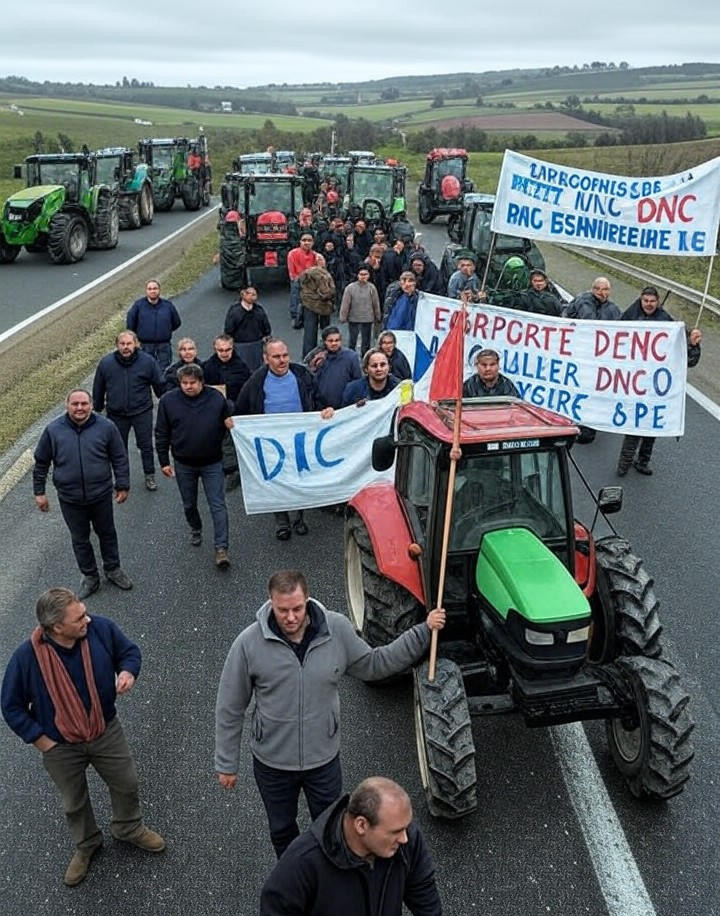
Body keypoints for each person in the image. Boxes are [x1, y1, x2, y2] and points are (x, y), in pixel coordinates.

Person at [215, 569, 446, 859]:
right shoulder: (248, 643)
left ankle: (329, 879)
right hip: (272, 764)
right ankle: (293, 879)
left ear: (307, 600)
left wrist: (423, 631)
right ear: (270, 603)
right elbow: (230, 705)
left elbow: (376, 664)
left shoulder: (336, 630)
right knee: (281, 829)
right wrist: (226, 763)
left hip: (322, 761)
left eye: (297, 609)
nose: (290, 617)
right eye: (282, 610)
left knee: (330, 829)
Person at [0, 588, 165, 887]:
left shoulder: (100, 629)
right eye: (78, 618)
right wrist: (40, 739)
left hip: (104, 729)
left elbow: (129, 652)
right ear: (55, 628)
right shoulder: (26, 657)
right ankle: (87, 844)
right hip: (59, 744)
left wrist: (128, 672)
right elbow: (10, 706)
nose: (86, 619)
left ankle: (128, 828)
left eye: (84, 611)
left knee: (126, 783)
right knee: (74, 802)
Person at [260, 776, 442, 916]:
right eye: (396, 831)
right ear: (361, 825)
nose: (404, 838)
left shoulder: (407, 839)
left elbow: (424, 896)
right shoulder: (300, 864)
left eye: (406, 827)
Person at [33, 389, 133, 600]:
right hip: (70, 498)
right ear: (66, 405)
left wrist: (122, 484)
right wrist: (39, 492)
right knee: (80, 539)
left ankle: (113, 569)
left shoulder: (106, 427)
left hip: (101, 494)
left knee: (107, 533)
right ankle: (90, 577)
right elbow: (41, 462)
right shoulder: (53, 430)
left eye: (84, 404)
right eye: (75, 404)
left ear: (91, 405)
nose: (80, 408)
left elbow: (119, 457)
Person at [235, 339, 333, 539]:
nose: (282, 360)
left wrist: (326, 409)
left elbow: (318, 398)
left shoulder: (302, 374)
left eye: (285, 355)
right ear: (266, 359)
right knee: (276, 479)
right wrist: (237, 424)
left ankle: (299, 517)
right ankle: (282, 520)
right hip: (271, 443)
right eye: (276, 357)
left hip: (299, 439)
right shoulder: (256, 381)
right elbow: (241, 408)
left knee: (300, 477)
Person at [616, 285, 702, 476]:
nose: (648, 304)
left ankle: (643, 461)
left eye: (652, 301)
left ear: (658, 301)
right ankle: (624, 464)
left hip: (656, 384)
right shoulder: (628, 318)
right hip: (634, 382)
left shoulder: (667, 322)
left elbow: (686, 357)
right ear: (640, 299)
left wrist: (694, 345)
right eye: (645, 301)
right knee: (634, 425)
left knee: (652, 424)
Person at [155, 364, 233, 568]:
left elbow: (229, 424)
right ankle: (195, 527)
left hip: (212, 462)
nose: (188, 387)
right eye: (184, 383)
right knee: (189, 503)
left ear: (201, 382)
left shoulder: (216, 399)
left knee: (218, 504)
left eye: (192, 383)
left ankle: (221, 548)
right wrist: (163, 461)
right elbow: (161, 432)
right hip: (184, 463)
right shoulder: (168, 402)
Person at [92, 330, 165, 492]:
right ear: (117, 345)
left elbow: (159, 384)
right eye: (122, 344)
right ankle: (121, 479)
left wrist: (167, 403)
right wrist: (96, 409)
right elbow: (98, 387)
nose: (126, 347)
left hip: (142, 411)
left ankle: (149, 475)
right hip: (116, 414)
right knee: (118, 448)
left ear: (136, 344)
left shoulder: (148, 362)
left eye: (129, 344)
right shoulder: (106, 363)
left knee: (146, 445)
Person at [564, 277, 621, 442]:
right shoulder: (583, 301)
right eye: (598, 289)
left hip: (600, 358)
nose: (601, 293)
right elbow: (589, 322)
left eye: (605, 290)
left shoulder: (613, 309)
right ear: (592, 289)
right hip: (580, 354)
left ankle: (590, 422)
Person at [126, 280, 182, 371]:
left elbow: (176, 322)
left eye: (155, 288)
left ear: (159, 290)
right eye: (150, 289)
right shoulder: (138, 306)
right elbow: (130, 324)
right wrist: (136, 341)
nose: (153, 291)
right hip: (144, 346)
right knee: (144, 370)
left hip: (164, 346)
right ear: (146, 291)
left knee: (164, 371)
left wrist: (165, 331)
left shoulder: (168, 306)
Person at [306, 325, 362, 409]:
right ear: (324, 342)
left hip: (344, 407)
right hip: (320, 407)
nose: (334, 343)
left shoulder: (351, 357)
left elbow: (358, 381)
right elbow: (309, 380)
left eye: (337, 340)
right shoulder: (317, 357)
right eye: (330, 341)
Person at [223, 286, 272, 371]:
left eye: (255, 294)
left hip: (257, 345)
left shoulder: (259, 311)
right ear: (243, 294)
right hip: (240, 346)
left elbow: (266, 328)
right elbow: (228, 330)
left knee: (258, 370)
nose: (254, 296)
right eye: (251, 294)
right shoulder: (235, 312)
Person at [339, 266, 381, 355]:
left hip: (367, 318)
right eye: (361, 274)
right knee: (352, 340)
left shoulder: (372, 288)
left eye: (365, 274)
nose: (363, 276)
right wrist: (343, 316)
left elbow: (376, 303)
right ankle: (350, 356)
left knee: (366, 340)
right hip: (354, 318)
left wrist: (378, 316)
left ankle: (365, 356)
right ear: (357, 275)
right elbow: (345, 303)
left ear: (369, 275)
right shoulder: (350, 288)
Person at [300, 260, 336, 358]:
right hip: (323, 306)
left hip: (308, 304)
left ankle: (307, 356)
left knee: (309, 333)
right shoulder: (323, 275)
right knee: (326, 331)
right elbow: (327, 291)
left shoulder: (305, 274)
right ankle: (327, 352)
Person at [287, 233, 321, 328]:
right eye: (304, 240)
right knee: (296, 298)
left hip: (311, 281)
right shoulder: (292, 253)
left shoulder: (315, 255)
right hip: (298, 279)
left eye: (309, 240)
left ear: (313, 243)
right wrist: (294, 278)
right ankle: (295, 317)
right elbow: (291, 269)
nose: (306, 243)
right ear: (300, 242)